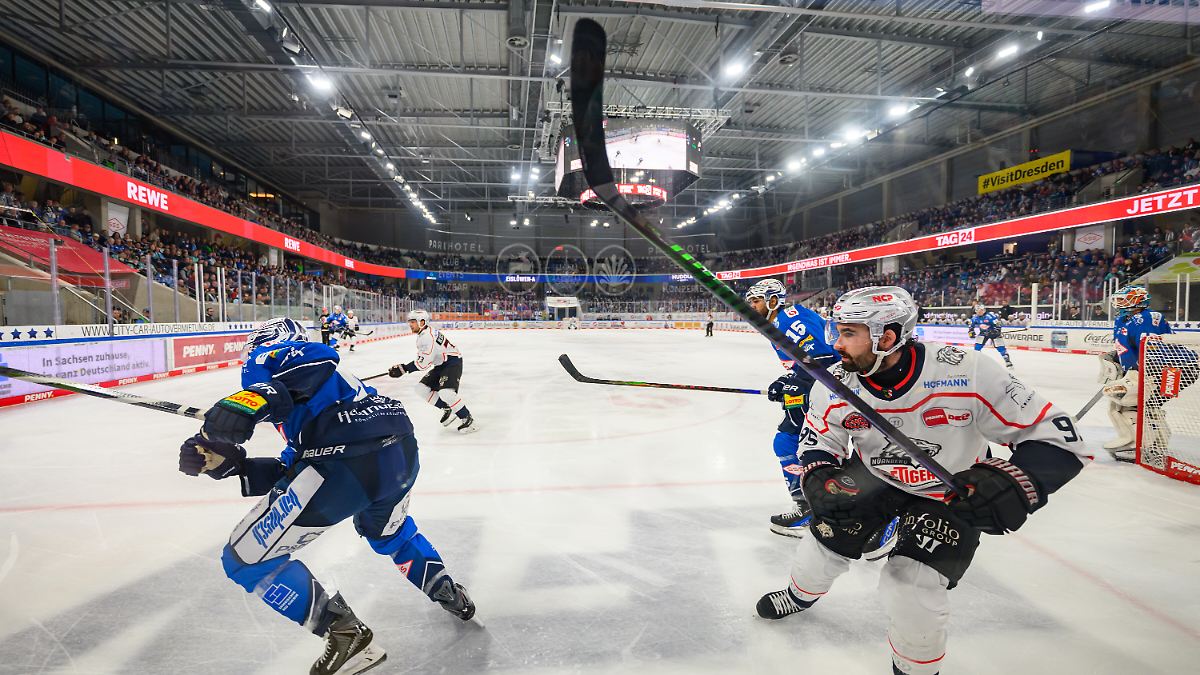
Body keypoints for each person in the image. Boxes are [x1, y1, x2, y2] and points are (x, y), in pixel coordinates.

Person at [755, 286, 1089, 675]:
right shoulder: (834, 382)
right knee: (822, 542)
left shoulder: (967, 370)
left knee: (910, 586)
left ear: (886, 338)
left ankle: (915, 669)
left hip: (951, 489)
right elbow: (820, 437)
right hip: (873, 474)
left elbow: (1059, 438)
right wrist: (818, 473)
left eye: (848, 333)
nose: (836, 344)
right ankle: (800, 594)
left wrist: (1015, 480)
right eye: (837, 331)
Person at [176, 317, 475, 675]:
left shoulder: (273, 357)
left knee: (243, 560)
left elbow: (315, 360)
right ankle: (445, 589)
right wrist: (235, 466)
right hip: (398, 454)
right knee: (390, 534)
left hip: (346, 462)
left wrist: (251, 400)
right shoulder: (328, 398)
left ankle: (346, 634)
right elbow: (294, 466)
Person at [744, 278, 839, 538]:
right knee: (787, 442)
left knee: (796, 444)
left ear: (773, 301)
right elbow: (805, 364)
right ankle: (809, 507)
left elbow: (825, 359)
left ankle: (821, 510)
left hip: (831, 392)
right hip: (816, 389)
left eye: (756, 301)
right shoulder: (777, 323)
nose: (751, 307)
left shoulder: (789, 318)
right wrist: (789, 381)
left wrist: (798, 382)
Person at [1097, 284, 1189, 461]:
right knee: (1139, 405)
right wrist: (1117, 356)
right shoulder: (1124, 319)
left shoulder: (1145, 318)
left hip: (1171, 368)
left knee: (1125, 399)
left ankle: (1141, 445)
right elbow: (1132, 346)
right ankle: (1153, 444)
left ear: (1137, 301)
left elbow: (1152, 351)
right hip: (1152, 369)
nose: (1118, 303)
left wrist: (1141, 376)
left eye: (1124, 300)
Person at [389, 309, 477, 433]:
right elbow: (425, 360)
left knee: (446, 393)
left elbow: (423, 364)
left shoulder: (427, 337)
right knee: (421, 389)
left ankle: (467, 418)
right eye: (410, 322)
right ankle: (447, 408)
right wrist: (404, 368)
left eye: (413, 322)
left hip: (452, 362)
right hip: (441, 364)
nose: (410, 324)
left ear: (422, 322)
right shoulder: (424, 333)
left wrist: (404, 369)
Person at [968, 304, 1012, 368]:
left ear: (983, 310)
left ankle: (1007, 361)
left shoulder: (990, 316)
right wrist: (971, 332)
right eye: (977, 311)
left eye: (979, 311)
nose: (978, 312)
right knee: (977, 347)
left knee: (1000, 347)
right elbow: (971, 326)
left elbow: (998, 324)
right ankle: (976, 361)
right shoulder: (975, 317)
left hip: (994, 334)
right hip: (983, 333)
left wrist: (996, 330)